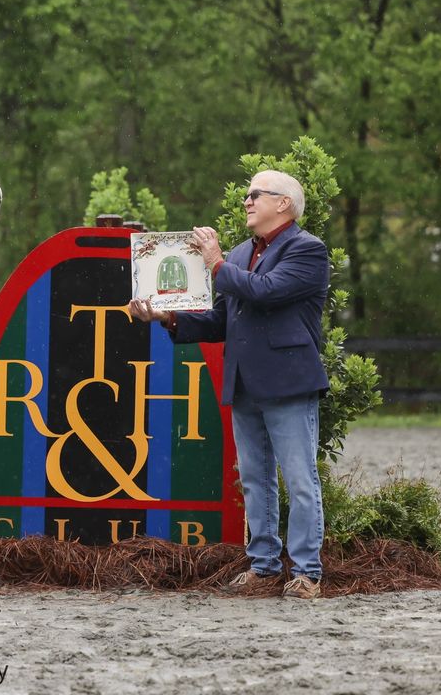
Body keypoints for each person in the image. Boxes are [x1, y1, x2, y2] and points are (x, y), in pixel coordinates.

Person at [128, 170, 329, 599]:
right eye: (246, 194)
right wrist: (166, 316)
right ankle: (264, 566)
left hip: (289, 383)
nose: (246, 201)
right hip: (243, 383)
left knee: (299, 479)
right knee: (256, 480)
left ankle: (308, 573)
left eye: (256, 194)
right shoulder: (238, 254)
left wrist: (216, 262)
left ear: (285, 204)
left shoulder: (308, 250)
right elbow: (222, 319)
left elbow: (267, 291)